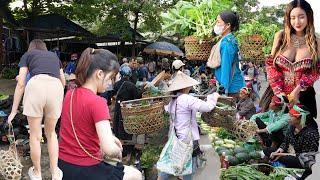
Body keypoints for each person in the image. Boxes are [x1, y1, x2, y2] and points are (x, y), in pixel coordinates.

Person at [58, 48, 142, 180]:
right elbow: (109, 149)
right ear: (99, 74)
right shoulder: (98, 102)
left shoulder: (69, 94)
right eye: (110, 78)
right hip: (85, 170)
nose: (111, 83)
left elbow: (82, 127)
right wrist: (118, 150)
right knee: (135, 174)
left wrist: (110, 138)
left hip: (63, 166)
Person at [7, 39, 65, 180]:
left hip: (35, 86)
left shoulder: (28, 55)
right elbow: (63, 81)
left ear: (31, 48)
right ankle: (55, 173)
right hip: (56, 87)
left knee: (35, 135)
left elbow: (21, 83)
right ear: (44, 48)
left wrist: (14, 111)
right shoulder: (53, 56)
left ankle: (37, 173)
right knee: (51, 134)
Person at [158, 71, 221, 180]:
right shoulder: (187, 98)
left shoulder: (173, 100)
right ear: (185, 87)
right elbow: (207, 107)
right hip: (187, 138)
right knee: (189, 166)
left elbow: (166, 109)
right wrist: (214, 96)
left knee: (173, 162)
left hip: (175, 136)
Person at [262, 0, 320, 116]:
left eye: (301, 17)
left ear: (309, 16)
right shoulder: (280, 36)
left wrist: (296, 91)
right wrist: (279, 92)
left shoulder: (316, 42)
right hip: (276, 95)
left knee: (300, 132)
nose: (297, 22)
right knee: (270, 129)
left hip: (303, 98)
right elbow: (271, 65)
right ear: (288, 19)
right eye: (292, 17)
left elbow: (315, 71)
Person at [263, 105, 319, 179]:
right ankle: (281, 160)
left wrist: (281, 154)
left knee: (286, 158)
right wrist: (280, 150)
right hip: (290, 153)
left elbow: (306, 156)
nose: (289, 118)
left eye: (291, 116)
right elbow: (285, 142)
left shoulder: (311, 133)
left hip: (302, 159)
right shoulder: (292, 127)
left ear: (300, 118)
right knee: (267, 150)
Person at [209, 11, 245, 101]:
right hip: (231, 86)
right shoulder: (227, 39)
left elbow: (226, 67)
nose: (216, 25)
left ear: (228, 25)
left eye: (218, 22)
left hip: (232, 89)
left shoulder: (227, 44)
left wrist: (223, 91)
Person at [112, 65, 142, 160]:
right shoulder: (132, 85)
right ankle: (128, 153)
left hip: (118, 109)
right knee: (127, 129)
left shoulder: (117, 84)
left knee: (118, 127)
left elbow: (114, 94)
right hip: (128, 112)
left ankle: (120, 151)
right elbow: (137, 97)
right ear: (129, 74)